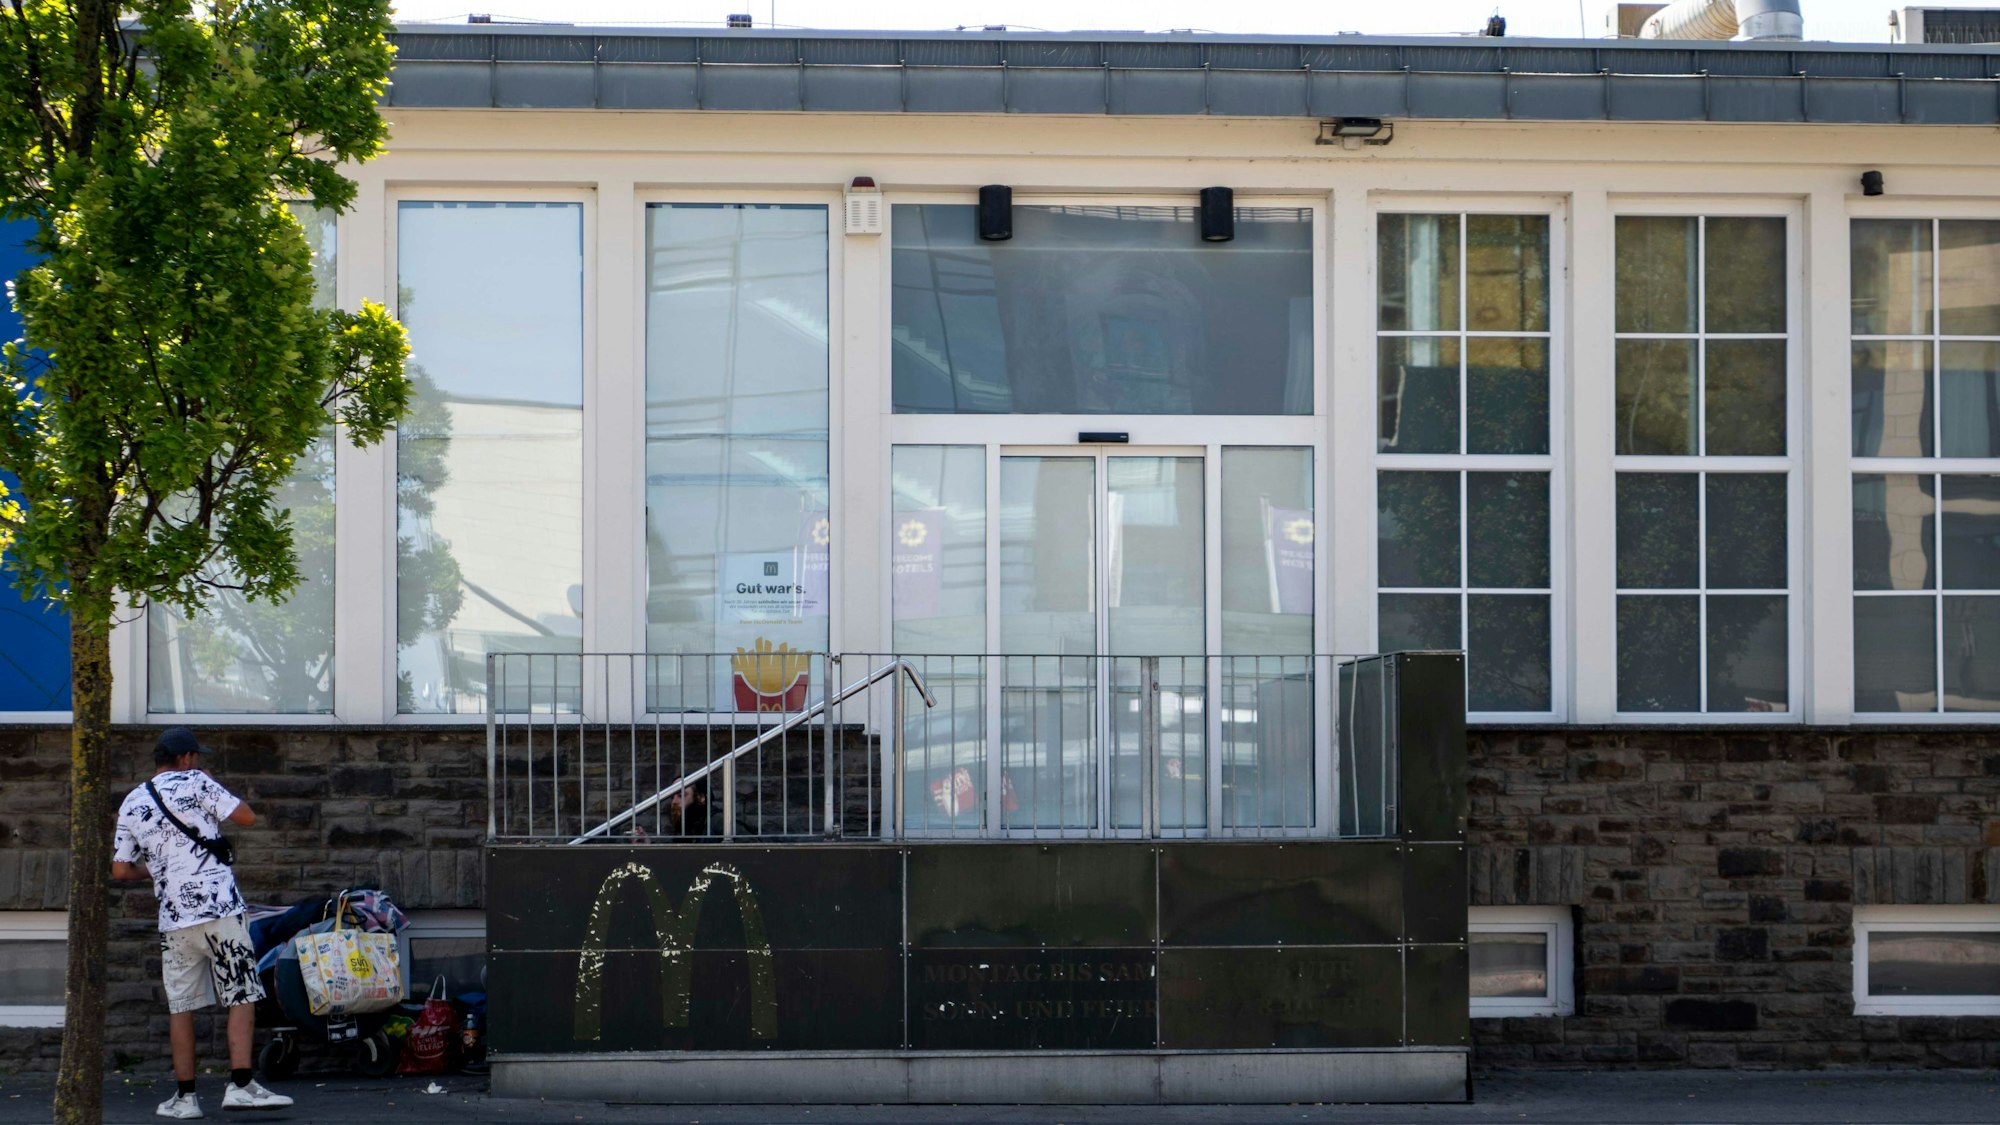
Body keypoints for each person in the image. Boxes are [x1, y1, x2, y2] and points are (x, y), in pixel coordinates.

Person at [111, 727, 293, 1119]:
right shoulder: (197, 781)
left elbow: (121, 870)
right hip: (221, 911)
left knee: (182, 1007)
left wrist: (159, 871)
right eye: (198, 758)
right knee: (241, 996)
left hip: (174, 921)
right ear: (188, 758)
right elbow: (247, 818)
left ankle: (185, 1098)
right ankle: (241, 1086)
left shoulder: (132, 801)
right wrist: (211, 785)